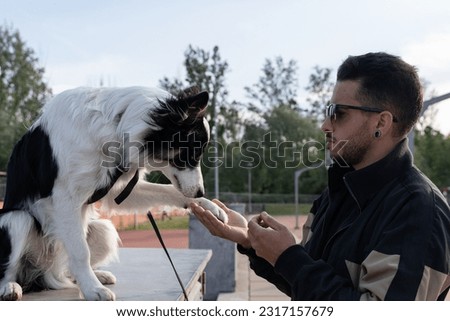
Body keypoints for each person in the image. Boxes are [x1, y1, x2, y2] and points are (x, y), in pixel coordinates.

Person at [190, 52, 450, 301]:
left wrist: (288, 256)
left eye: (338, 113)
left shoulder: (419, 212)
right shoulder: (339, 191)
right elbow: (307, 287)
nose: (325, 125)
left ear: (381, 123)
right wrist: (253, 241)